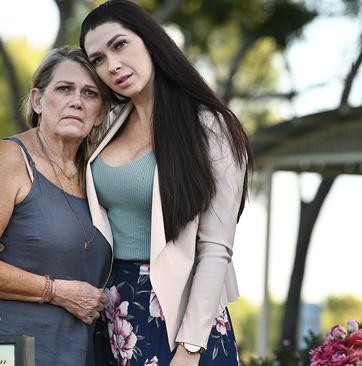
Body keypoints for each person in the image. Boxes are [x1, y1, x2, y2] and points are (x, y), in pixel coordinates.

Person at [79, 1, 253, 365]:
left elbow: (216, 249)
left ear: (150, 40)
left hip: (183, 316)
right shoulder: (106, 126)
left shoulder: (210, 127)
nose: (112, 65)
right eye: (97, 59)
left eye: (120, 45)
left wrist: (190, 350)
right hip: (114, 312)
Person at [0, 47, 113, 365]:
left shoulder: (96, 176)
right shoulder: (7, 158)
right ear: (37, 100)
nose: (77, 101)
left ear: (100, 112)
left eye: (90, 94)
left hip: (68, 353)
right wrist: (58, 291)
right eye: (64, 89)